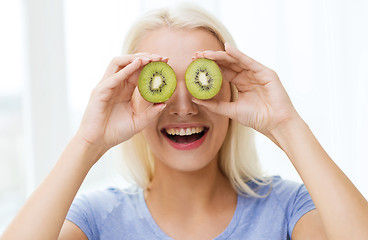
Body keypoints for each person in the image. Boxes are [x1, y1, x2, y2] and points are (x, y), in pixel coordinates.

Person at [2, 4, 368, 240]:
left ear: (231, 90)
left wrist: (287, 124)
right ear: (131, 95)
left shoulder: (288, 209)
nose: (183, 107)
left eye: (200, 79)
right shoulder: (96, 219)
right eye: (161, 83)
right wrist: (86, 143)